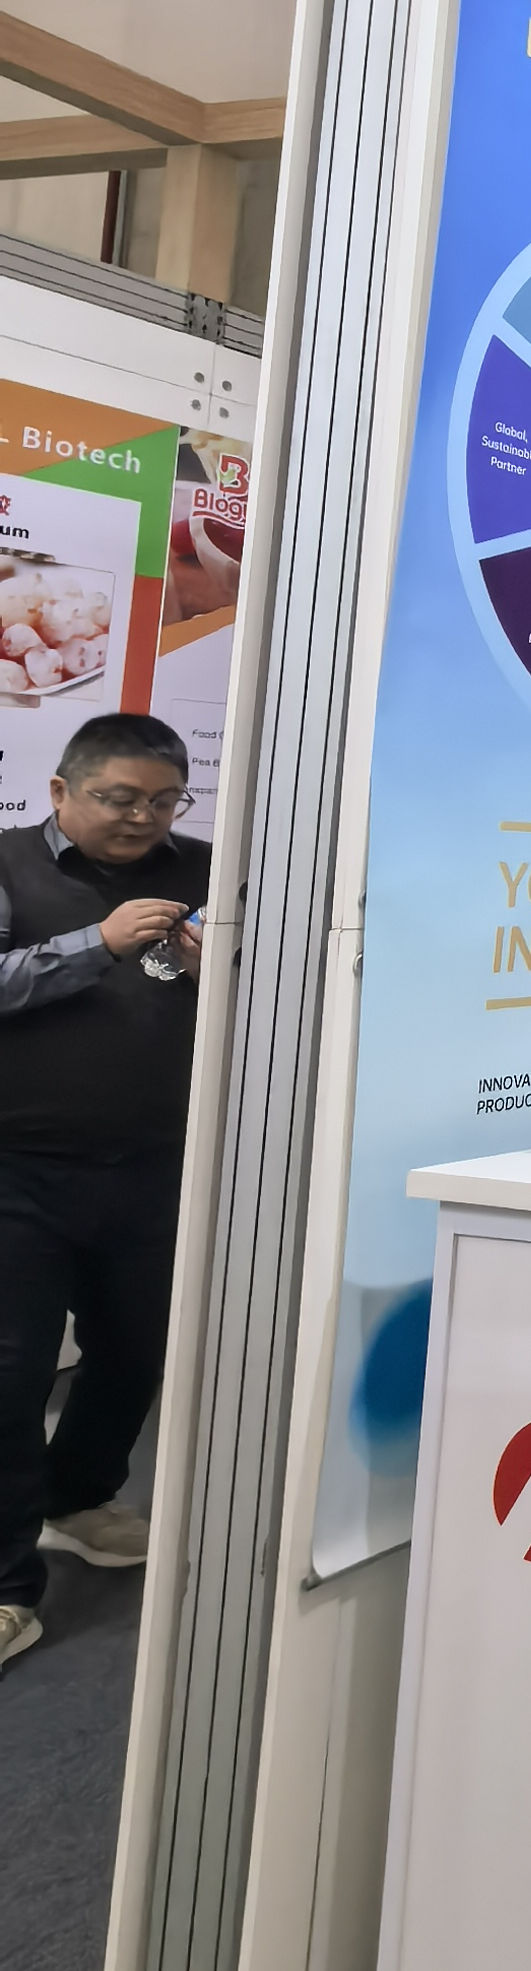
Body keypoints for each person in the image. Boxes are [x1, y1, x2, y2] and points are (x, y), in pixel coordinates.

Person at [0, 713, 210, 1672]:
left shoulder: (204, 868)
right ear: (60, 791)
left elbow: (226, 992)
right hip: (19, 1169)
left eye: (163, 801)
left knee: (135, 1351)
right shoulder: (11, 865)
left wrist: (215, 972)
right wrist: (98, 941)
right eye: (119, 798)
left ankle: (78, 1497)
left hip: (156, 1164)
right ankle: (9, 1589)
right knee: (11, 1378)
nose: (142, 818)